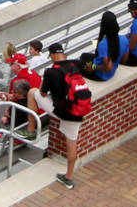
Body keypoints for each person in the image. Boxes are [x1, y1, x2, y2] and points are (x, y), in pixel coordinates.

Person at [33, 42, 86, 189]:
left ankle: (31, 130)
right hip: (78, 109)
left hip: (64, 112)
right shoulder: (75, 65)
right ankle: (68, 175)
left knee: (33, 93)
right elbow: (90, 67)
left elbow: (42, 93)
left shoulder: (50, 72)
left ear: (52, 55)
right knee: (73, 141)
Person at [87, 9, 124, 81]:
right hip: (110, 71)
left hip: (101, 75)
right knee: (84, 55)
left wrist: (93, 67)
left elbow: (108, 67)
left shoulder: (103, 44)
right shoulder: (122, 39)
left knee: (77, 64)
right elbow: (124, 59)